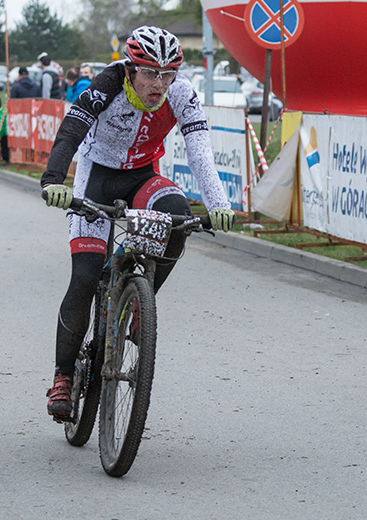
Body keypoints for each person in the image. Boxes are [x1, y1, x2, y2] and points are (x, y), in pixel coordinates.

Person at [41, 26, 236, 419]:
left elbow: (200, 153)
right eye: (150, 73)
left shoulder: (180, 92)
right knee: (84, 277)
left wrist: (219, 204)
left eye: (168, 74)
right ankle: (63, 375)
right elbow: (70, 134)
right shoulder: (107, 83)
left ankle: (135, 304)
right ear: (131, 69)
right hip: (95, 178)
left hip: (142, 176)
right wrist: (52, 181)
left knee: (177, 218)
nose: (159, 84)